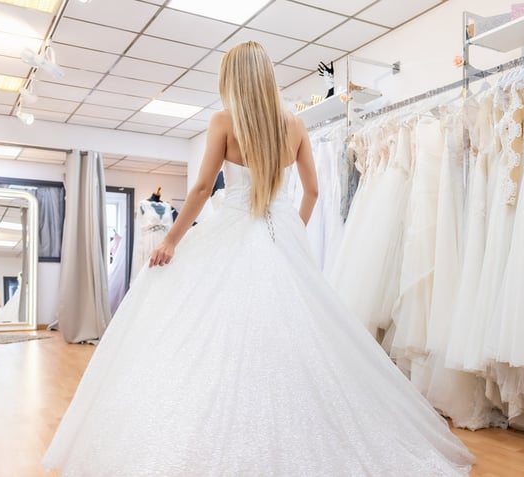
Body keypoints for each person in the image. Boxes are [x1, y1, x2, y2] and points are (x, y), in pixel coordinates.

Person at [43, 41, 474, 476]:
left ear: (232, 80)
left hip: (232, 229)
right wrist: (291, 231)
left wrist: (171, 240)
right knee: (292, 340)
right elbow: (312, 192)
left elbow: (199, 190)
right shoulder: (294, 126)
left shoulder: (224, 121)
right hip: (278, 235)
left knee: (210, 332)